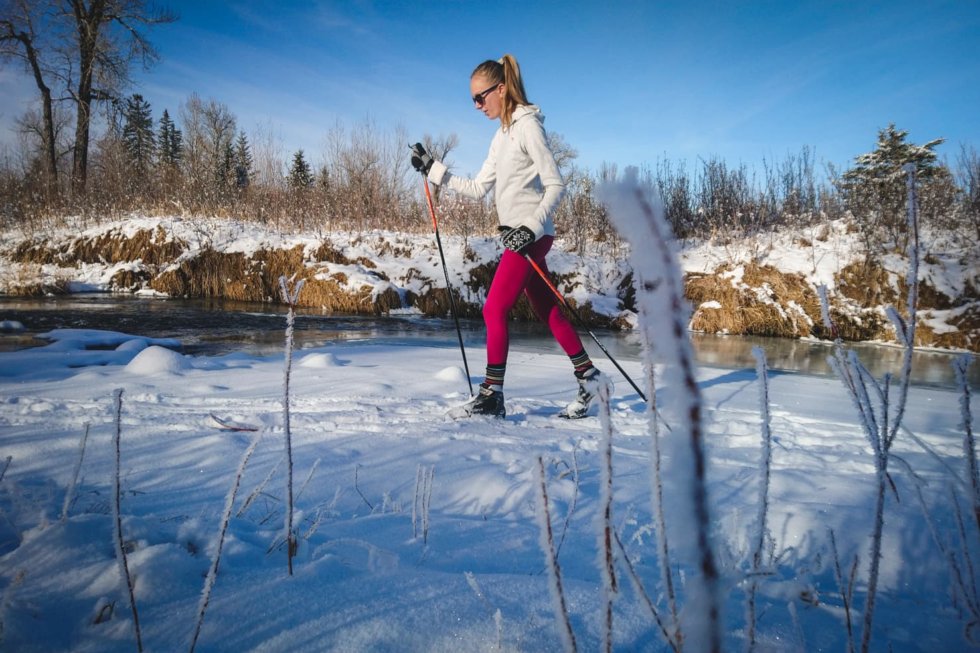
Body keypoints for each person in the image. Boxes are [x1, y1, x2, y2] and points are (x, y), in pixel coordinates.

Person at [410, 54, 607, 419]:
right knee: (547, 310)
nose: (476, 106)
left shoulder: (528, 126)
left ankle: (492, 394)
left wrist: (530, 228)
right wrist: (434, 169)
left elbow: (555, 185)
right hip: (518, 237)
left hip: (531, 235)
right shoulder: (501, 136)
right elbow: (476, 188)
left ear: (501, 89)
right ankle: (589, 375)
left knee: (493, 308)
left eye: (480, 97)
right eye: (472, 100)